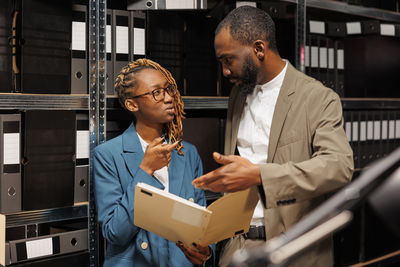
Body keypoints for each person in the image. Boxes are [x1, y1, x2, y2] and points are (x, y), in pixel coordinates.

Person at [192, 6, 354, 267]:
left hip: (293, 251)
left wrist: (259, 175)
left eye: (228, 59)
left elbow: (338, 167)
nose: (224, 71)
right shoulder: (238, 95)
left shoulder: (317, 98)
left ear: (258, 49)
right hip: (237, 247)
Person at [94, 58, 214, 266]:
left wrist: (206, 251)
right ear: (132, 104)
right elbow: (115, 232)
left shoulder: (188, 153)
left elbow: (201, 222)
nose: (168, 98)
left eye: (168, 90)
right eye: (157, 92)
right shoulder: (108, 155)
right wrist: (146, 170)